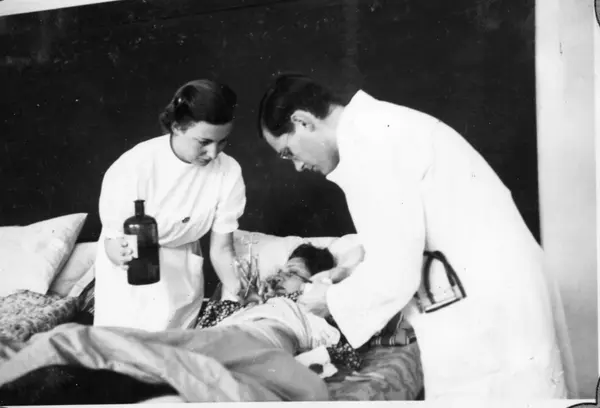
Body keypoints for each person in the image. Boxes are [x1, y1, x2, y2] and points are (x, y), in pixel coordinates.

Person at [256, 73, 568, 399]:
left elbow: (396, 273)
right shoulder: (377, 129)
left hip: (490, 307)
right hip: (488, 294)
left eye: (288, 152)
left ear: (303, 122)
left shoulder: (371, 143)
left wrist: (329, 301)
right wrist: (350, 274)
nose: (296, 167)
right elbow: (406, 241)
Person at [94, 79, 247, 331]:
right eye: (204, 142)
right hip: (131, 273)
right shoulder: (134, 166)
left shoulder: (229, 171)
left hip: (182, 272)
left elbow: (222, 250)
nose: (213, 153)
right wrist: (118, 253)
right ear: (176, 127)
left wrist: (242, 291)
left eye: (222, 142)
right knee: (125, 346)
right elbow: (113, 240)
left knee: (175, 347)